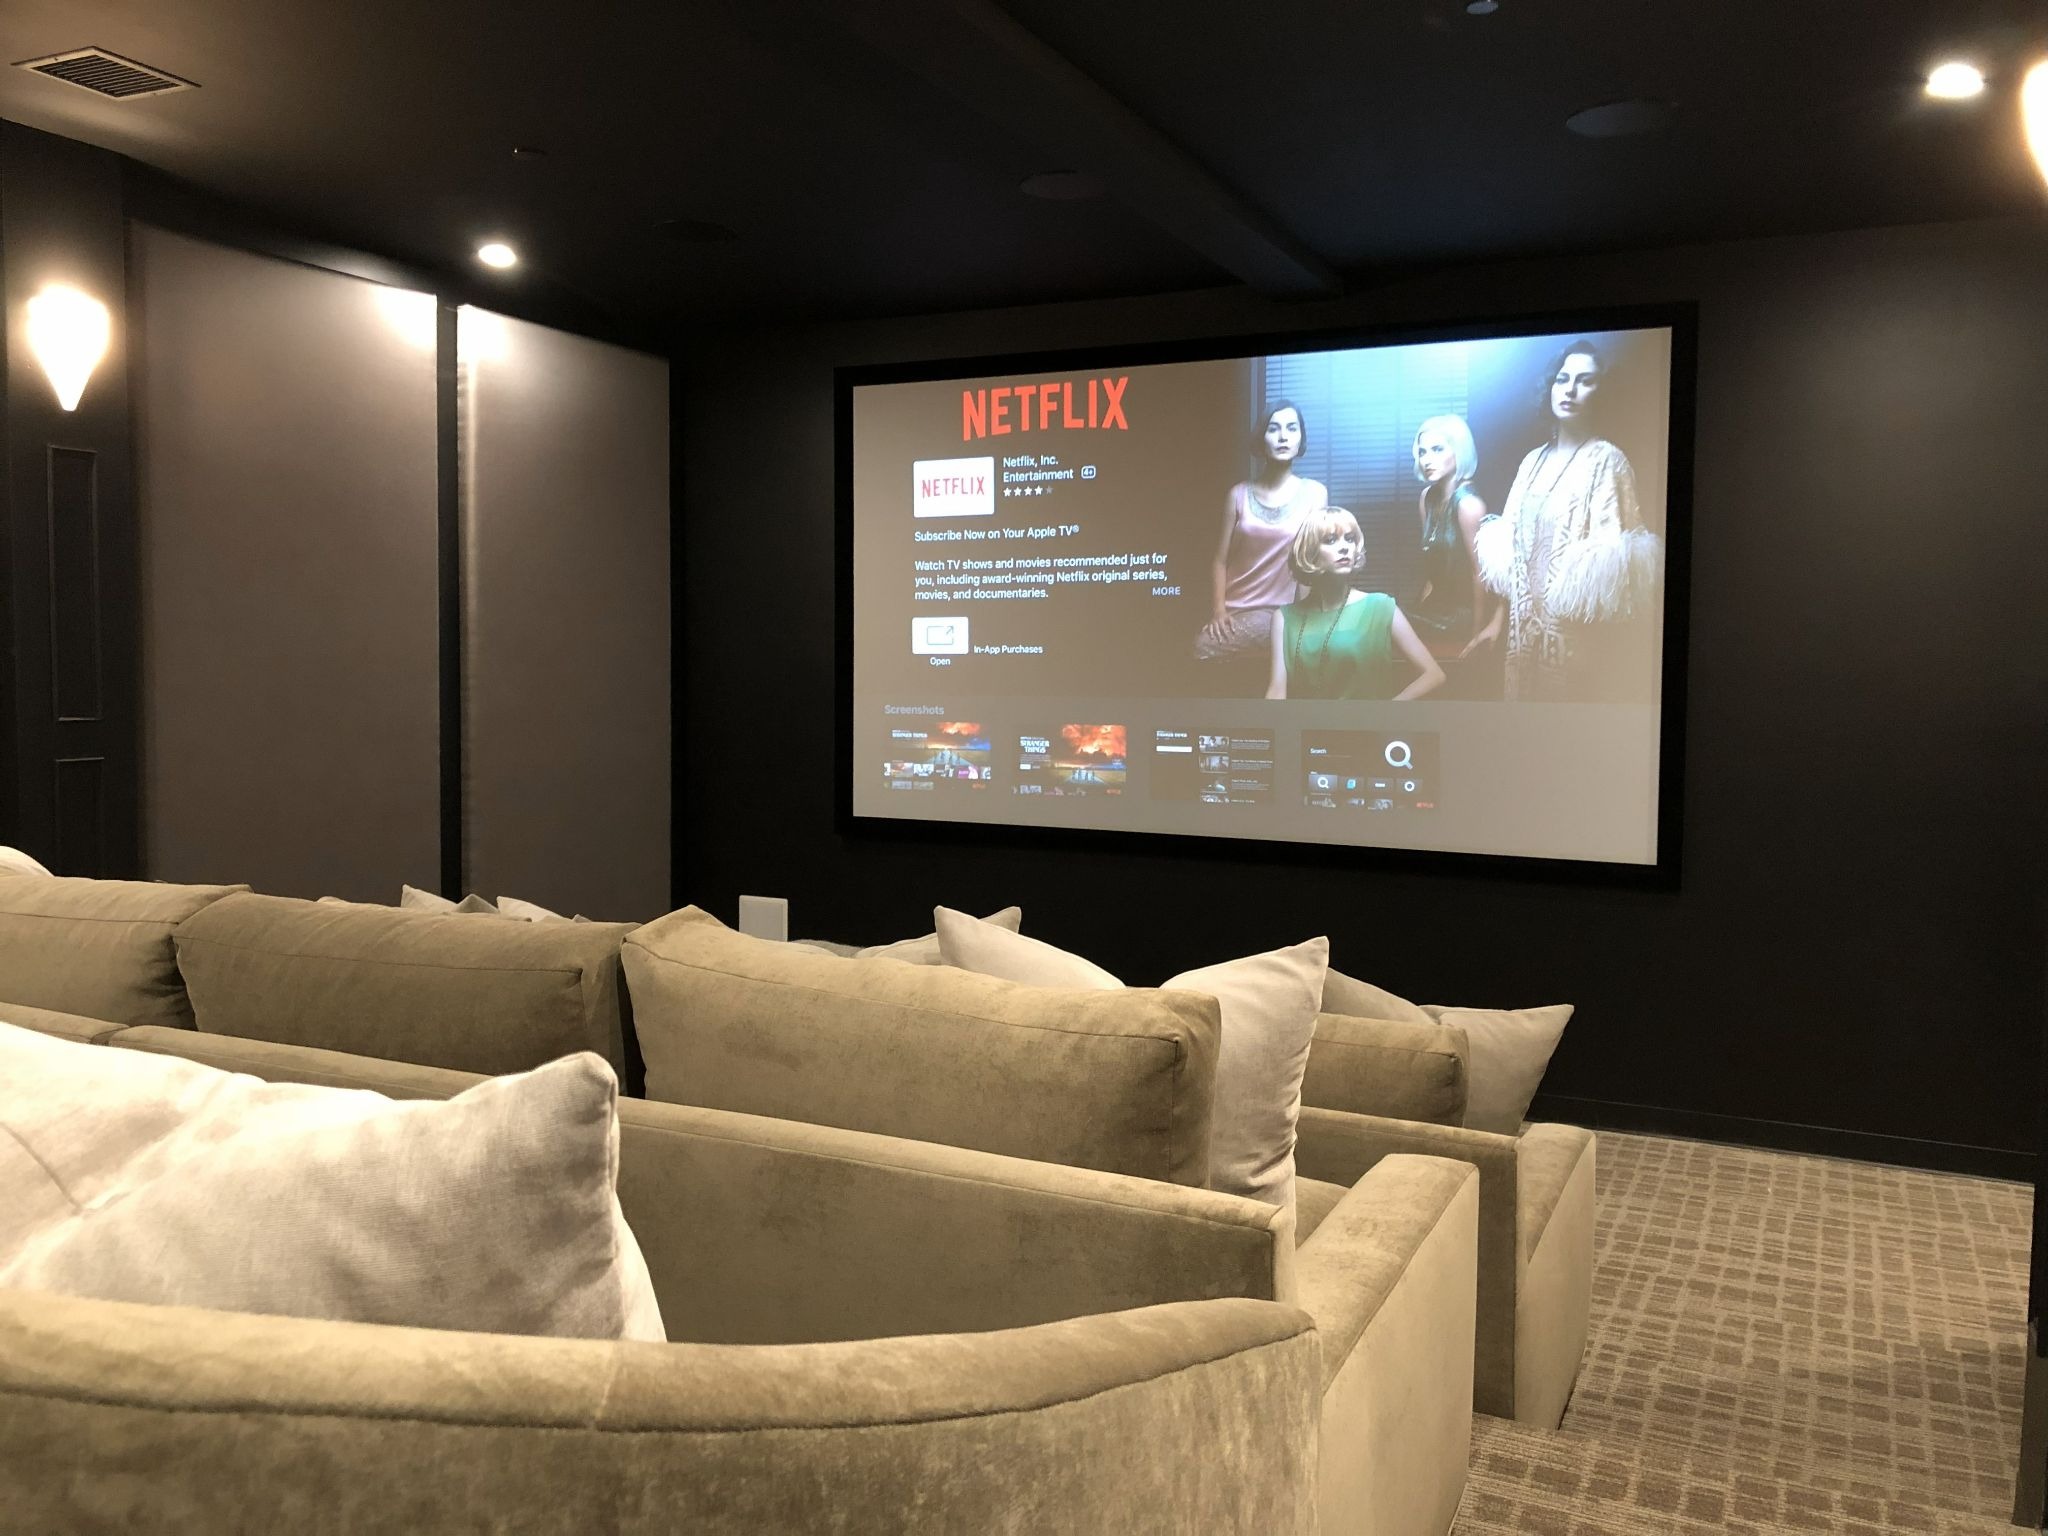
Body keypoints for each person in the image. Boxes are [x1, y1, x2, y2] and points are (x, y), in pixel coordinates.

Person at [1473, 340, 1661, 700]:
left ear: (1601, 392)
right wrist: (1497, 621)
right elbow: (1511, 554)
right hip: (1521, 635)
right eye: (1563, 379)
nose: (1570, 389)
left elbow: (1611, 578)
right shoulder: (1532, 462)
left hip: (1577, 642)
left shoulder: (1607, 460)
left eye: (1585, 381)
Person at [1195, 401, 1328, 680]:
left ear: (1301, 438)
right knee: (1202, 649)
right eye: (1274, 428)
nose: (1283, 437)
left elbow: (1309, 563)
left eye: (1291, 428)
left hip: (1281, 612)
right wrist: (1218, 611)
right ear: (1262, 438)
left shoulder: (1315, 493)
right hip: (1234, 612)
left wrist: (1304, 620)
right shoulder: (1238, 494)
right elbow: (1220, 561)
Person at [1266, 507, 1444, 701]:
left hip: (1368, 720)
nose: (1344, 547)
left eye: (1350, 539)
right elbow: (1277, 692)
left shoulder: (1381, 607)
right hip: (1305, 721)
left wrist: (1386, 712)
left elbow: (1433, 675)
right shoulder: (1284, 619)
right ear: (1310, 552)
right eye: (1330, 540)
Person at [1407, 414, 1497, 654]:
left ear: (1459, 452)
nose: (1427, 459)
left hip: (1462, 617)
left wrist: (1475, 635)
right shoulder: (1427, 498)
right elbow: (1432, 566)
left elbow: (1480, 575)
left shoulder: (1468, 505)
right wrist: (1421, 608)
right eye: (1422, 452)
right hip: (1435, 610)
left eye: (1437, 449)